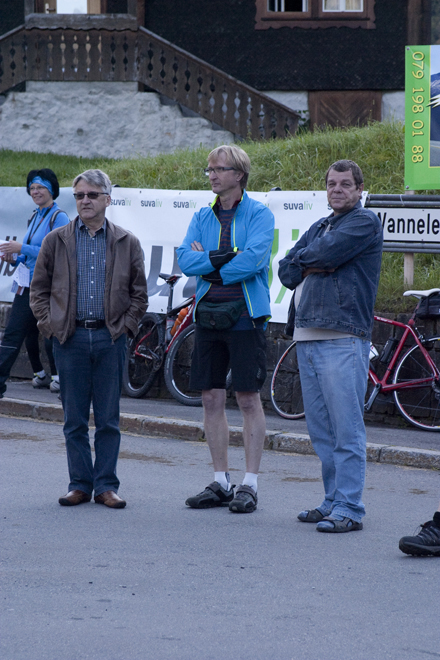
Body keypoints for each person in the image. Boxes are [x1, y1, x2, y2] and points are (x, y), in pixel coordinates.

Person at [30, 169, 147, 509]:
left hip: (110, 339)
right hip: (70, 339)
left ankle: (106, 486)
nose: (85, 201)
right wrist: (49, 326)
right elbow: (39, 291)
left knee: (109, 419)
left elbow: (139, 294)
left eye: (92, 195)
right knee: (74, 419)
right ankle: (79, 484)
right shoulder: (57, 240)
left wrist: (125, 327)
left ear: (107, 199)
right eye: (79, 195)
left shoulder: (127, 241)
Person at [278, 159, 383, 533]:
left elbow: (323, 255)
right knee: (322, 432)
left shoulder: (364, 221)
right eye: (331, 183)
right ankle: (332, 500)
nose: (337, 189)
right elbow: (285, 270)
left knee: (347, 429)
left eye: (345, 184)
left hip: (342, 338)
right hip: (306, 336)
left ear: (358, 189)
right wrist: (312, 262)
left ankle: (351, 508)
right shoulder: (319, 226)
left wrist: (311, 260)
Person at [177, 145, 274, 513]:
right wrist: (224, 258)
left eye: (220, 169)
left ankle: (249, 484)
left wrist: (209, 264)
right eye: (210, 170)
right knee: (210, 398)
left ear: (239, 174)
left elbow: (254, 260)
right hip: (209, 314)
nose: (213, 175)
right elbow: (185, 259)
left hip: (245, 316)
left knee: (248, 399)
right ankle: (220, 481)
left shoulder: (260, 214)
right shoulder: (203, 215)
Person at [0, 169, 70, 399]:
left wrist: (22, 248)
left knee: (51, 335)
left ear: (51, 189)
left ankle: (63, 379)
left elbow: (57, 253)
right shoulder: (36, 215)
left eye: (40, 187)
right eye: (32, 188)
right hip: (26, 286)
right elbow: (30, 256)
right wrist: (15, 257)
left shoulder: (58, 217)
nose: (35, 191)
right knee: (14, 334)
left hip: (48, 287)